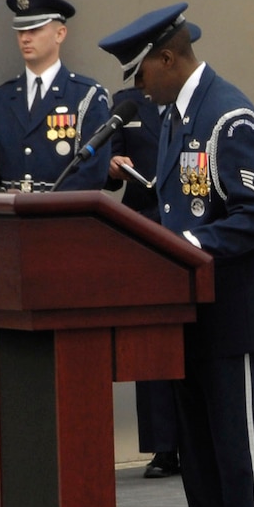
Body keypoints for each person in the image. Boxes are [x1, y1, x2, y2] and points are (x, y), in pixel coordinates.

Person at [97, 5, 254, 507]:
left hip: (234, 312)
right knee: (199, 450)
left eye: (140, 76)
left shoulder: (228, 116)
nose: (136, 91)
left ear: (168, 59)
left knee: (238, 447)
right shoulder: (175, 116)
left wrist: (190, 247)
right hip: (189, 311)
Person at [106, 84, 182, 478]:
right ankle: (164, 446)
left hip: (187, 226)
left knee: (189, 336)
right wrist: (111, 164)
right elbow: (109, 169)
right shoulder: (126, 102)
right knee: (149, 337)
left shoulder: (191, 100)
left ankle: (195, 438)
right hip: (143, 227)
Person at [0, 0, 114, 190]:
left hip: (64, 216)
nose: (25, 38)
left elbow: (93, 172)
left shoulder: (87, 96)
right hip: (11, 216)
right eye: (21, 31)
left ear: (60, 34)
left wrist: (48, 205)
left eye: (35, 30)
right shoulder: (0, 98)